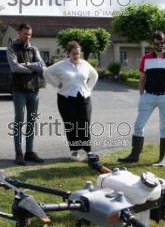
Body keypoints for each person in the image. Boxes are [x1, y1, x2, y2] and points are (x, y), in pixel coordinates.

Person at [119, 31, 165, 164]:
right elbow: (142, 79)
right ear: (153, 44)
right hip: (148, 97)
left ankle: (161, 158)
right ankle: (134, 156)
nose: (160, 45)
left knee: (164, 127)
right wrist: (142, 95)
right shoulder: (146, 58)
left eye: (162, 42)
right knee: (138, 125)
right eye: (157, 43)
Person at [43, 41, 98, 159]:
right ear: (68, 53)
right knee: (71, 125)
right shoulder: (61, 65)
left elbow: (95, 75)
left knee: (84, 124)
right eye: (73, 54)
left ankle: (88, 151)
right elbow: (46, 72)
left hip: (84, 98)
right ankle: (74, 151)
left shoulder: (85, 64)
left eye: (78, 53)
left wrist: (89, 89)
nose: (76, 56)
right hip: (66, 99)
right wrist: (56, 83)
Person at [7, 23, 46, 165]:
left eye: (29, 34)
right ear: (19, 33)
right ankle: (18, 153)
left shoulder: (33, 49)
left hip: (34, 90)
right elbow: (14, 67)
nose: (27, 36)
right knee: (19, 122)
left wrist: (27, 65)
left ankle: (29, 152)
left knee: (31, 122)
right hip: (19, 90)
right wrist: (33, 68)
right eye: (25, 34)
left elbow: (42, 66)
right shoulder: (12, 48)